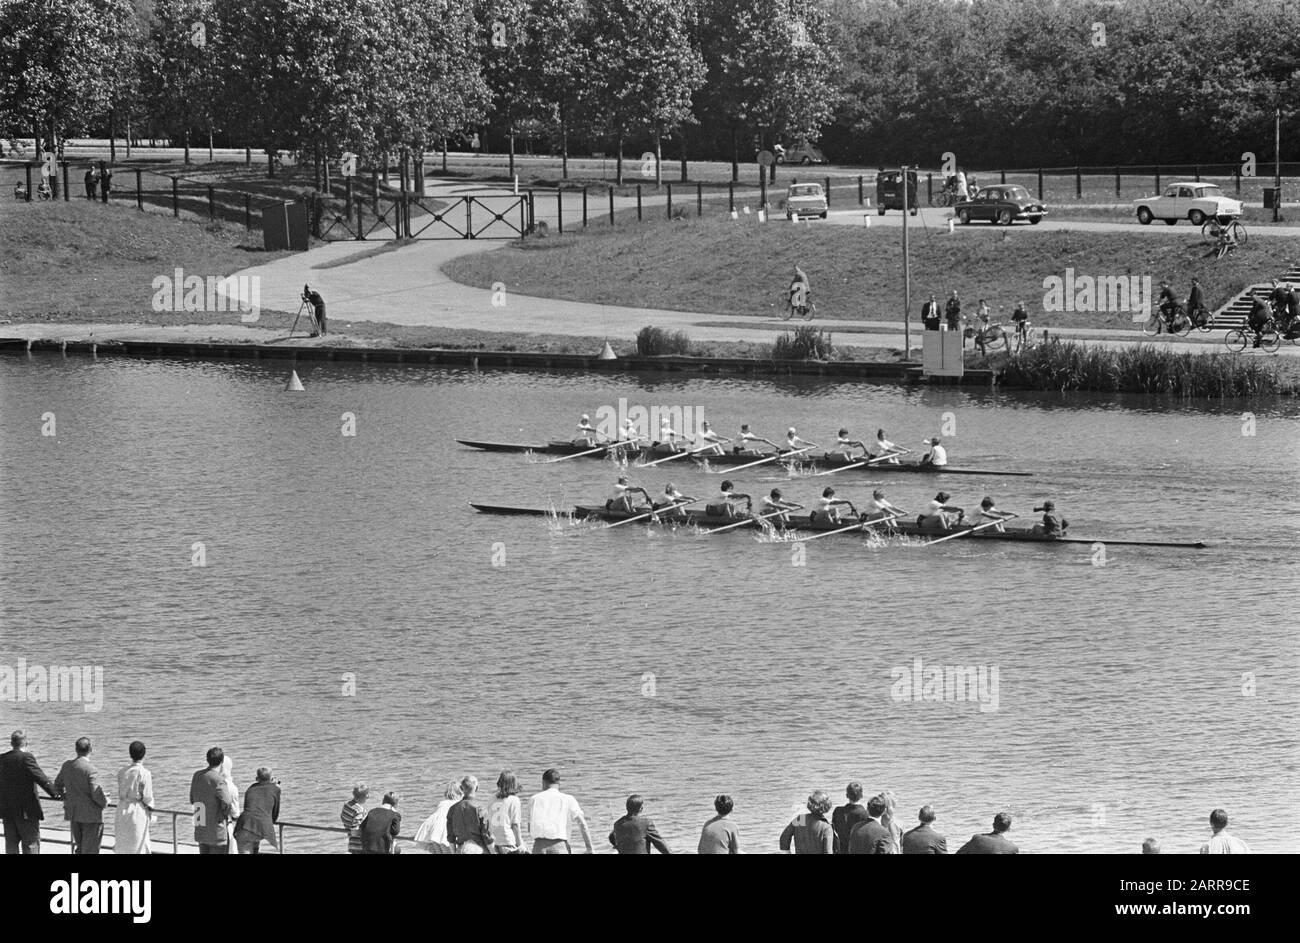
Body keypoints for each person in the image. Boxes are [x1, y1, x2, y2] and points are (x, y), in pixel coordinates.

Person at [0, 730, 59, 855]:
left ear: (11, 743)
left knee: (11, 845)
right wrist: (56, 794)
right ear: (26, 742)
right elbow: (41, 778)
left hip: (7, 810)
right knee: (31, 844)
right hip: (26, 811)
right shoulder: (26, 758)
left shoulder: (2, 758)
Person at [54, 737, 107, 854]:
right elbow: (96, 794)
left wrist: (67, 797)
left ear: (76, 749)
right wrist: (105, 801)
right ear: (91, 749)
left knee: (80, 848)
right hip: (91, 816)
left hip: (73, 813)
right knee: (90, 850)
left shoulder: (67, 766)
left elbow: (57, 786)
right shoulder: (91, 769)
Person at [528, 768, 594, 854]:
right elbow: (582, 824)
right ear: (559, 783)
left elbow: (530, 828)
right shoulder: (568, 799)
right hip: (560, 846)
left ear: (543, 782)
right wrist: (589, 848)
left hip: (539, 847)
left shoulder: (534, 799)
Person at [189, 747, 232, 854]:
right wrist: (223, 814)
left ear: (207, 759)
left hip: (200, 824)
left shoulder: (197, 775)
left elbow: (192, 799)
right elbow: (227, 801)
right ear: (222, 761)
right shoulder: (218, 779)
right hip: (216, 828)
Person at [113, 741, 154, 855]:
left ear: (130, 754)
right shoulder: (145, 773)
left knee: (123, 844)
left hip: (122, 809)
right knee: (138, 844)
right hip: (137, 810)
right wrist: (151, 809)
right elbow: (147, 796)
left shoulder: (122, 772)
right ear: (144, 754)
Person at [233, 768, 280, 854]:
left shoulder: (251, 788)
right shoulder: (275, 789)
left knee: (246, 843)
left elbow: (249, 807)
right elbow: (275, 812)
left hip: (244, 825)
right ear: (271, 778)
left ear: (257, 778)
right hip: (261, 827)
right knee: (254, 842)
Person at [445, 774, 494, 854]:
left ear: (461, 788)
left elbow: (451, 838)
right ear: (477, 788)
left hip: (461, 850)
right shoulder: (480, 809)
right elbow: (487, 837)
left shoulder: (452, 809)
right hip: (479, 849)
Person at [779, 790, 835, 854]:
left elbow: (784, 836)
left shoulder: (800, 819)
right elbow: (828, 851)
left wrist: (787, 852)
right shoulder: (826, 827)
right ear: (827, 806)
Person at [413, 781, 461, 854]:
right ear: (460, 793)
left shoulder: (442, 803)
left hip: (434, 829)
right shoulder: (458, 803)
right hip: (444, 830)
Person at [487, 770, 524, 854]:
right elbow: (515, 825)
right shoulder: (514, 800)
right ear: (513, 784)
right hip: (508, 841)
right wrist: (520, 844)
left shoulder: (491, 798)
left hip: (494, 841)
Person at [831, 783, 869, 854]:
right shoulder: (864, 814)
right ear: (862, 796)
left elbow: (833, 830)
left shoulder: (838, 811)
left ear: (847, 795)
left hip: (842, 849)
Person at [219, 754, 241, 851]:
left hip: (204, 827)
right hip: (225, 826)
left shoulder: (204, 782)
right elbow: (235, 813)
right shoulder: (231, 787)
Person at [341, 783, 369, 854]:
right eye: (367, 794)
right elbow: (355, 831)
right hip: (359, 844)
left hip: (351, 843)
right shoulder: (359, 810)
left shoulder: (346, 805)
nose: (368, 797)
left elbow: (343, 818)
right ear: (363, 796)